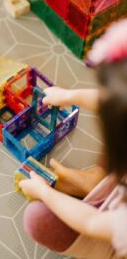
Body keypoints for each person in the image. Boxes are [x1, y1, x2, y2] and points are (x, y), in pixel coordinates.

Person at [19, 20, 127, 259]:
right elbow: (113, 99)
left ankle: (95, 188)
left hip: (112, 235)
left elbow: (91, 222)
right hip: (117, 201)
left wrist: (44, 193)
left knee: (37, 219)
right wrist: (69, 96)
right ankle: (94, 185)